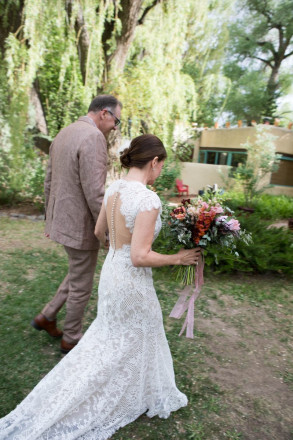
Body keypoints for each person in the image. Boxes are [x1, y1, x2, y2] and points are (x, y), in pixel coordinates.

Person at [0, 134, 200, 439]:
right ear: (154, 162)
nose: (160, 171)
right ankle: (121, 391)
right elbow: (140, 256)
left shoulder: (114, 189)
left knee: (113, 334)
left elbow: (98, 232)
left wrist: (117, 250)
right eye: (162, 165)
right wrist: (178, 258)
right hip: (130, 279)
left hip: (111, 273)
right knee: (133, 332)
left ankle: (136, 387)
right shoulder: (148, 199)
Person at [31, 95, 122, 354]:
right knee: (82, 284)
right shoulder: (93, 138)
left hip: (63, 221)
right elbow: (95, 194)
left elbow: (48, 181)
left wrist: (50, 218)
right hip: (81, 225)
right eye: (116, 120)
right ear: (104, 113)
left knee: (77, 271)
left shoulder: (65, 132)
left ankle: (47, 316)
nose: (115, 126)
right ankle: (71, 338)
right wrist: (105, 230)